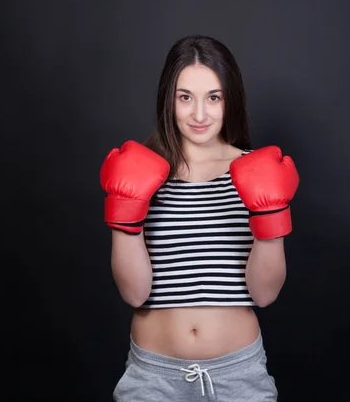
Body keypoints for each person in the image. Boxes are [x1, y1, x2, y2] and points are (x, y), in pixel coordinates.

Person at [100, 35, 300, 401]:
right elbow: (134, 293)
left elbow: (265, 293)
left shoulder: (257, 170)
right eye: (185, 97)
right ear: (168, 99)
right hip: (153, 379)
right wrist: (126, 213)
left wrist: (269, 216)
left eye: (214, 97)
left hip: (237, 377)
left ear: (230, 98)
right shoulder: (140, 171)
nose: (200, 114)